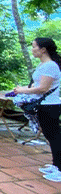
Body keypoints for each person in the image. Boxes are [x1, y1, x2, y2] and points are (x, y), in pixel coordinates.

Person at [13, 37, 61, 182]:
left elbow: (43, 88)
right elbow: (37, 85)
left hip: (50, 106)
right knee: (50, 136)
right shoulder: (43, 65)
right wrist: (23, 89)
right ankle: (55, 165)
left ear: (43, 49)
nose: (32, 49)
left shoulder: (50, 66)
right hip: (43, 105)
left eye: (34, 47)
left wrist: (22, 91)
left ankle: (59, 169)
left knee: (55, 136)